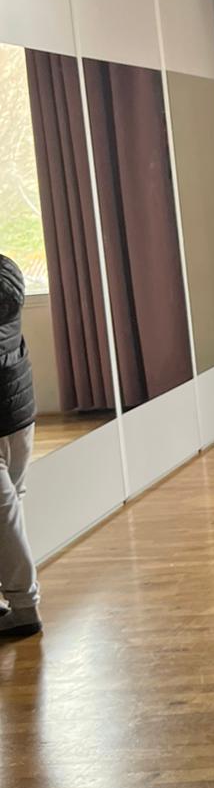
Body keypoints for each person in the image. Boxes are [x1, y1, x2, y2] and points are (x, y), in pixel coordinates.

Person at [0, 254, 40, 640]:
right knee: (10, 507)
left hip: (5, 411)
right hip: (20, 408)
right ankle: (19, 601)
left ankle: (25, 607)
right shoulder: (7, 270)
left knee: (5, 515)